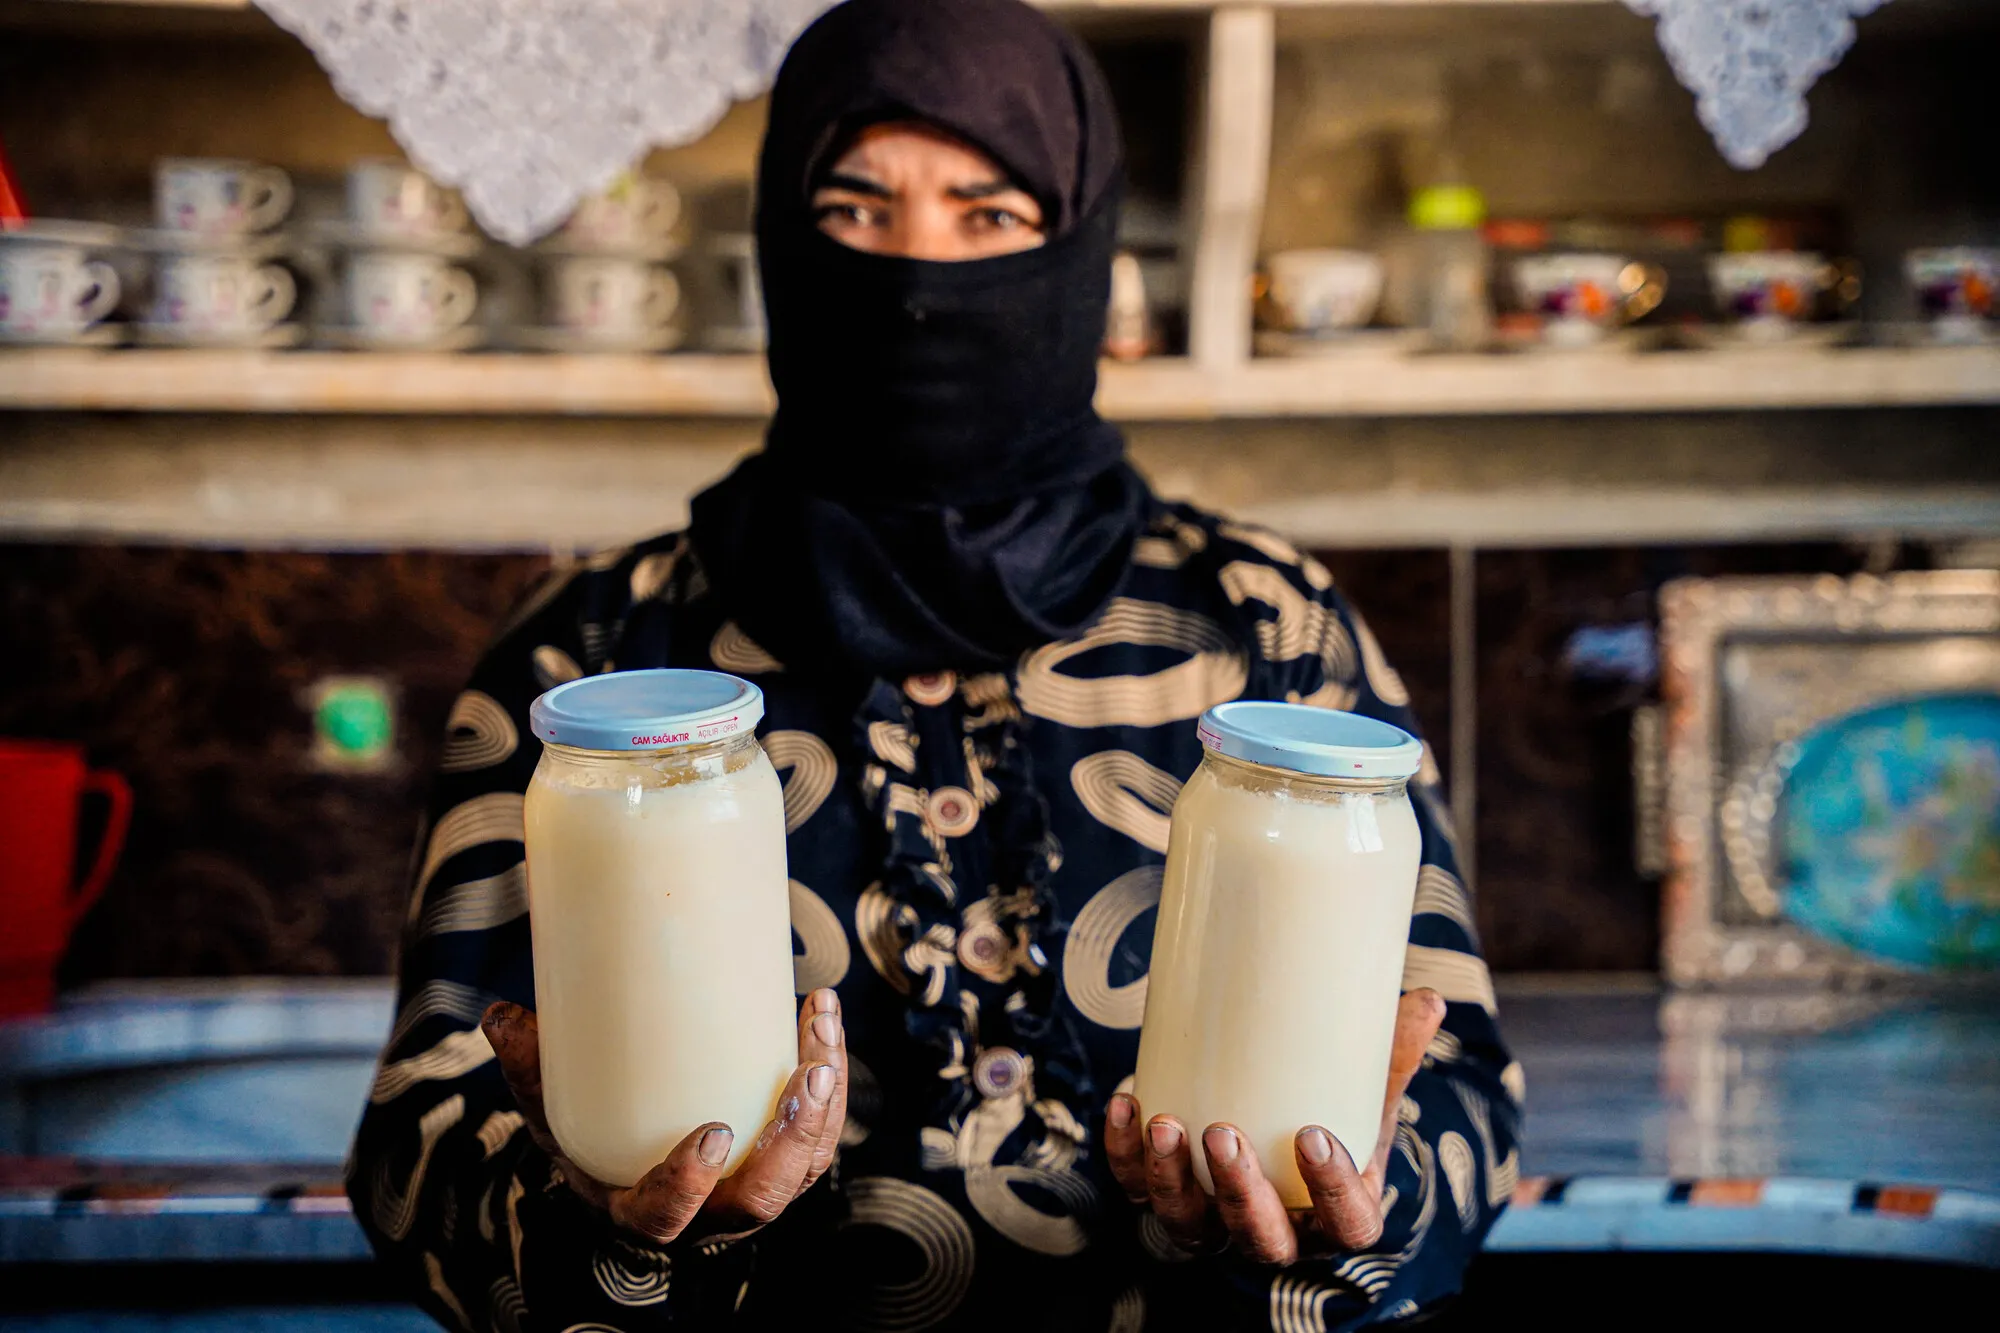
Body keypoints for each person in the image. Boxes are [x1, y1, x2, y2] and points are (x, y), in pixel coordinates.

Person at [348, 1, 1520, 1328]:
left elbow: (1459, 1077)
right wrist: (608, 1228)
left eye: (992, 217)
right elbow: (417, 1134)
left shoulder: (1259, 619)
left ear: (1078, 249)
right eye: (854, 211)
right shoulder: (605, 651)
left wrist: (1355, 1210)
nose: (916, 278)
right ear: (784, 249)